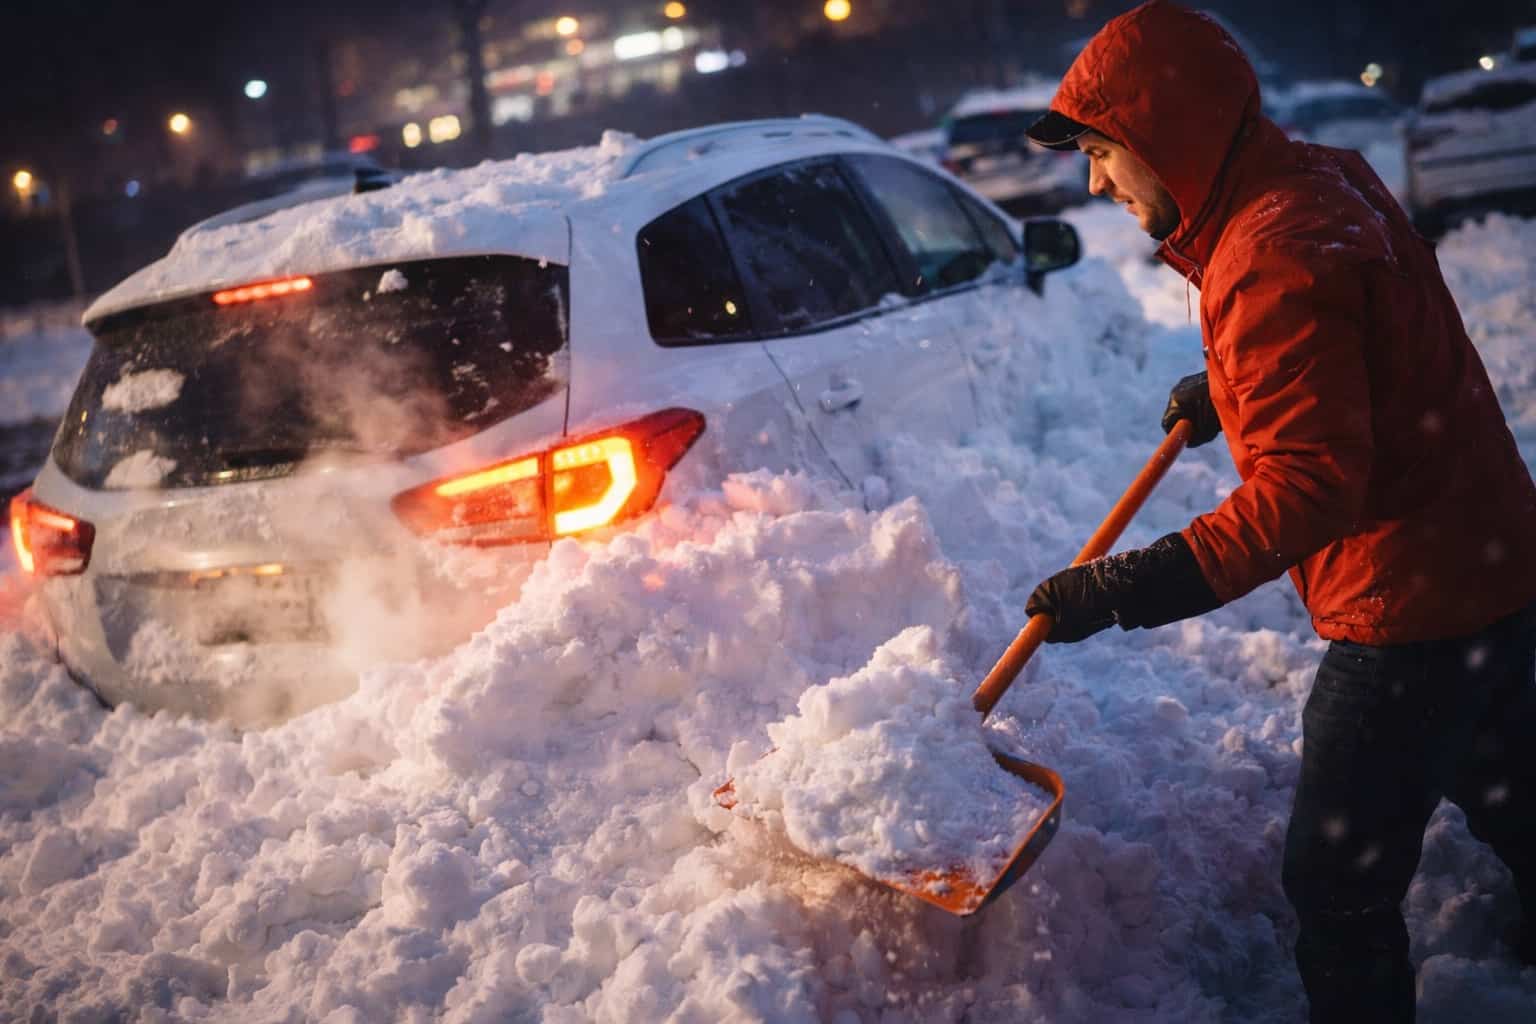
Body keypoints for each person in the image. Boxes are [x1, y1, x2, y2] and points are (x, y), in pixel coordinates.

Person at [1017, 2, 1536, 1020]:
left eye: (1103, 152)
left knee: (1335, 884)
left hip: (1410, 611)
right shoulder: (1321, 178)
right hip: (1497, 561)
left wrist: (1130, 585)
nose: (1094, 183)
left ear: (1168, 135)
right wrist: (1235, 383)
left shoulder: (1265, 253)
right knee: (1513, 784)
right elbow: (1368, 327)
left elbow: (1308, 487)